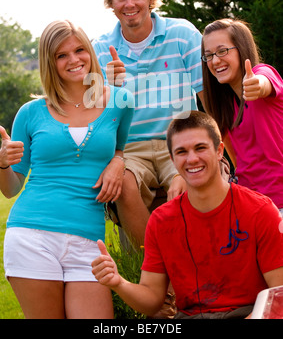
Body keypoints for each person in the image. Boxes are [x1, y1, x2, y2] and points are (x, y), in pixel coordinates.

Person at [0, 20, 134, 319]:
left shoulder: (120, 101)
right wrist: (3, 163)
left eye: (79, 50)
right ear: (50, 62)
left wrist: (118, 161)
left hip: (89, 240)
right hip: (31, 235)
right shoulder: (31, 112)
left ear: (90, 52)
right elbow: (11, 188)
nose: (74, 60)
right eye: (61, 55)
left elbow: (122, 147)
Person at [92, 111, 283, 319]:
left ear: (220, 151)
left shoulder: (260, 211)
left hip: (248, 313)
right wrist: (118, 282)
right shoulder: (161, 220)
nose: (192, 159)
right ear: (173, 159)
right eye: (182, 152)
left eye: (200, 148)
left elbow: (278, 296)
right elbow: (152, 299)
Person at [93, 0, 206, 249]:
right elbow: (94, 116)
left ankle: (193, 266)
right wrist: (110, 89)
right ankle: (152, 271)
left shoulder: (182, 34)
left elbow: (207, 95)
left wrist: (220, 149)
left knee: (189, 178)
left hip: (179, 139)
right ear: (112, 4)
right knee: (124, 183)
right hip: (130, 147)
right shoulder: (99, 48)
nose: (129, 4)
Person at [201, 18, 283, 214]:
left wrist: (257, 85)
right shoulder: (224, 105)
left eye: (222, 51)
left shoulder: (262, 73)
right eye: (209, 55)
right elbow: (239, 161)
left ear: (242, 48)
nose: (215, 61)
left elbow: (264, 82)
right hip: (251, 204)